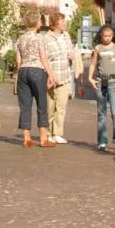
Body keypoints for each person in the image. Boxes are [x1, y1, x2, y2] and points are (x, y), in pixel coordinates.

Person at [15, 3, 54, 149]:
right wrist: (51, 74)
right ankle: (43, 138)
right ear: (37, 22)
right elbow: (43, 58)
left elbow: (18, 59)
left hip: (23, 71)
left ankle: (27, 138)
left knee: (25, 106)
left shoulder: (20, 39)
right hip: (37, 71)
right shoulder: (39, 38)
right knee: (41, 104)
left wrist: (20, 74)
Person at [88, 24, 115, 151]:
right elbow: (93, 63)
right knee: (101, 113)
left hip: (113, 82)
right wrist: (90, 78)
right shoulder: (98, 48)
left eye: (109, 36)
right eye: (105, 36)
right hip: (101, 81)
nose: (107, 38)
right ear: (101, 36)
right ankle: (102, 140)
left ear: (112, 36)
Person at [43, 11, 76, 144]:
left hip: (65, 75)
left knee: (61, 106)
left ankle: (57, 133)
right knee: (50, 107)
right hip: (51, 75)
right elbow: (44, 58)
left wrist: (71, 54)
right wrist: (49, 74)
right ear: (55, 23)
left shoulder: (66, 35)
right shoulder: (46, 38)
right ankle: (47, 132)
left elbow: (70, 50)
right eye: (62, 21)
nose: (65, 23)